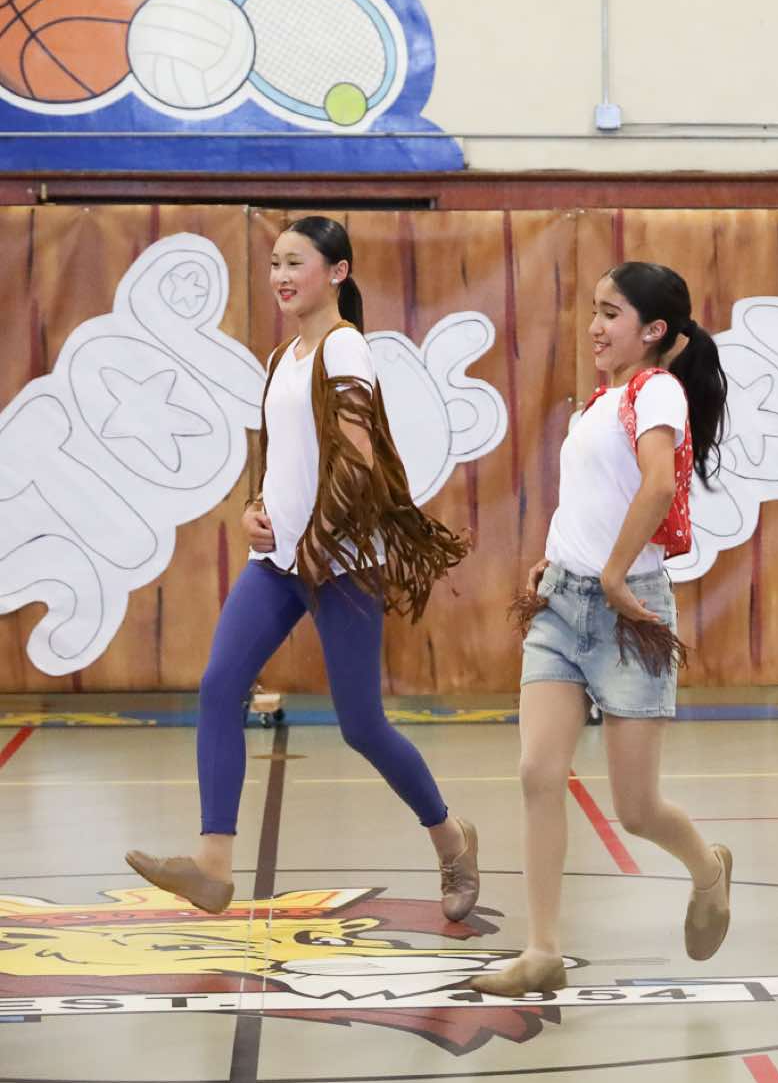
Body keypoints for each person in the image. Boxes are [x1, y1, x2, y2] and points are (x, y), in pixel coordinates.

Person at [126, 216, 477, 919]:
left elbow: (358, 462)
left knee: (362, 726)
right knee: (219, 687)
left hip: (342, 562)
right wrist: (255, 508)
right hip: (279, 560)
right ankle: (213, 866)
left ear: (337, 272)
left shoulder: (345, 348)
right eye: (275, 264)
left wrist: (317, 543)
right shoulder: (283, 355)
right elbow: (287, 461)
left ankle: (451, 840)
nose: (281, 276)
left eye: (296, 263)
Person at [474, 261, 735, 996]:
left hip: (630, 613)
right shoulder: (598, 403)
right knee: (537, 772)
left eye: (611, 313)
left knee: (636, 808)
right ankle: (542, 949)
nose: (594, 326)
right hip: (560, 607)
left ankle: (708, 869)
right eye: (593, 309)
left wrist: (615, 574)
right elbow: (592, 497)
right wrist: (553, 558)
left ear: (653, 330)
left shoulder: (659, 391)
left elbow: (659, 485)